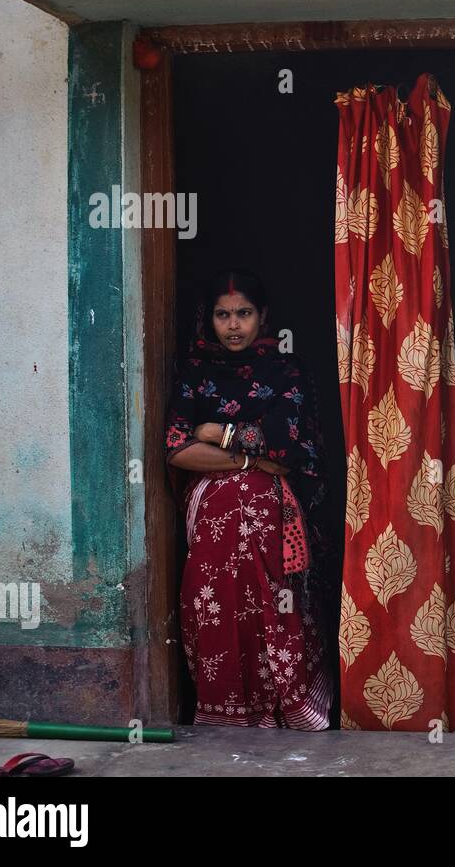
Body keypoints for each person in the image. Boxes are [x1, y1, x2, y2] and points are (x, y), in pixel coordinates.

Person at [165, 269, 331, 729]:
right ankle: (226, 708)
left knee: (269, 599)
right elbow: (179, 449)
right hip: (212, 515)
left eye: (243, 314)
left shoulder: (285, 372)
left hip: (269, 512)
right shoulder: (194, 372)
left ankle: (283, 702)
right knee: (215, 593)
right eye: (223, 315)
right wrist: (248, 462)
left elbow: (287, 448)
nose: (233, 325)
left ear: (263, 317)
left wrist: (218, 432)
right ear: (209, 319)